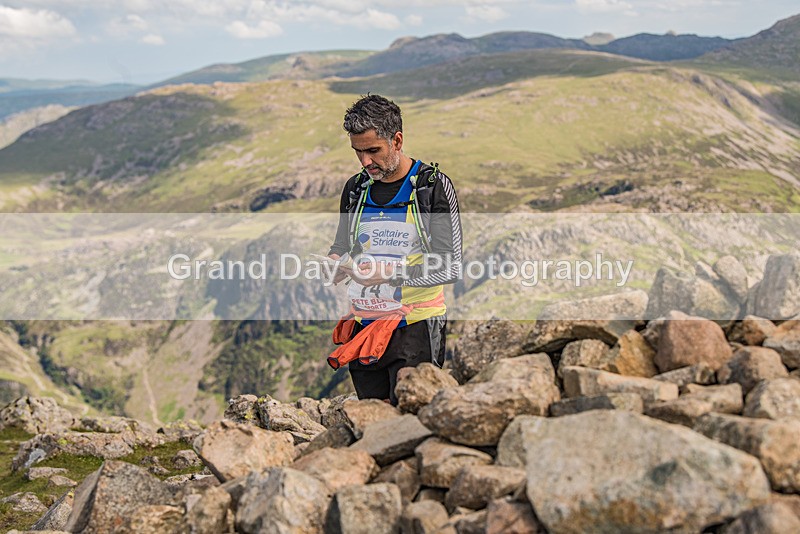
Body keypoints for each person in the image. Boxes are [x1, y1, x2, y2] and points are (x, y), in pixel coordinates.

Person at [326, 94, 462, 405]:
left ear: (397, 140)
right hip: (363, 323)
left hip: (416, 326)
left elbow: (450, 266)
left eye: (373, 150)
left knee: (410, 418)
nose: (365, 162)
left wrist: (389, 274)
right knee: (372, 421)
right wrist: (334, 261)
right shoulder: (356, 188)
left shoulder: (431, 187)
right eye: (358, 152)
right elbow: (342, 244)